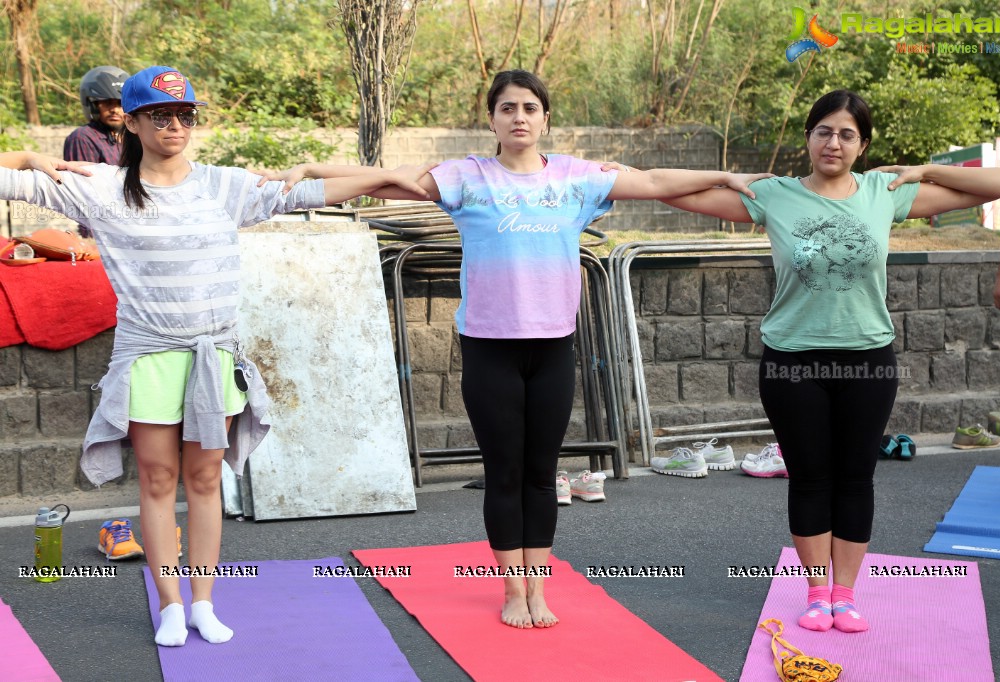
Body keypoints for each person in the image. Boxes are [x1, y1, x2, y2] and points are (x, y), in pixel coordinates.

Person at [263, 69, 770, 629]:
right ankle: (512, 589)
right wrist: (310, 170)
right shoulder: (468, 176)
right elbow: (388, 179)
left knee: (542, 471)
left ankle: (539, 585)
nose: (520, 116)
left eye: (530, 107)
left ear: (545, 117)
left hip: (553, 347)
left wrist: (725, 172)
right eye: (508, 108)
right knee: (504, 471)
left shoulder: (578, 178)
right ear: (493, 120)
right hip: (489, 347)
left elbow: (653, 182)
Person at [0, 65, 433, 647]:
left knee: (205, 480)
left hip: (211, 358)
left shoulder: (223, 184)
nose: (174, 125)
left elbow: (313, 192)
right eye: (159, 115)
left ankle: (203, 600)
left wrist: (385, 176)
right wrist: (27, 157)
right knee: (157, 480)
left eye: (184, 115)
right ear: (130, 121)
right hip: (149, 356)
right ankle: (170, 604)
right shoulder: (98, 185)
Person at [659, 89, 999, 633]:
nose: (833, 142)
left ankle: (846, 594)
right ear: (808, 138)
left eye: (846, 134)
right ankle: (817, 593)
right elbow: (672, 194)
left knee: (856, 477)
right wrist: (723, 175)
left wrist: (927, 169)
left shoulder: (883, 192)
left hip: (867, 359)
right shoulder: (774, 196)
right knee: (810, 478)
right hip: (792, 360)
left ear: (862, 145)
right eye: (823, 131)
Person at [63, 66, 129, 238]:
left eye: (120, 104)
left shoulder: (131, 138)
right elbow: (86, 195)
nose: (115, 109)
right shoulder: (83, 138)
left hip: (131, 229)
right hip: (102, 235)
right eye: (108, 103)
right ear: (93, 106)